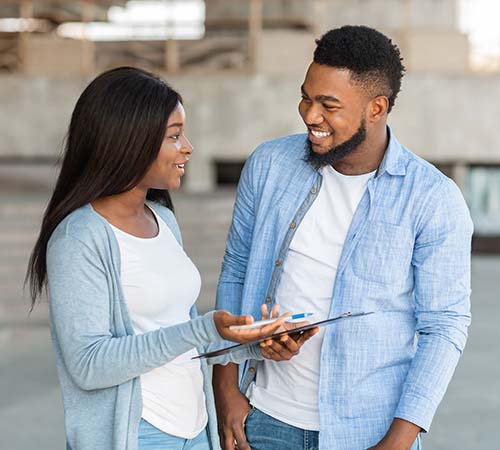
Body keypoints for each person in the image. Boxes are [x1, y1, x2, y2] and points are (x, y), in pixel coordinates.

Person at [25, 67, 315, 450]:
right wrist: (204, 328)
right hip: (139, 434)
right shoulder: (80, 237)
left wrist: (253, 344)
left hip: (195, 429)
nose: (188, 147)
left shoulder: (162, 219)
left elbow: (179, 331)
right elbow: (89, 365)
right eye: (174, 136)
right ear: (130, 141)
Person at [213, 25, 473, 450]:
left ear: (376, 108)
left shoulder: (433, 198)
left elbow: (444, 327)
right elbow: (237, 271)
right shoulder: (268, 165)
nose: (310, 115)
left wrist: (397, 442)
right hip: (264, 418)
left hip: (371, 432)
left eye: (328, 105)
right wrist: (225, 389)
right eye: (306, 97)